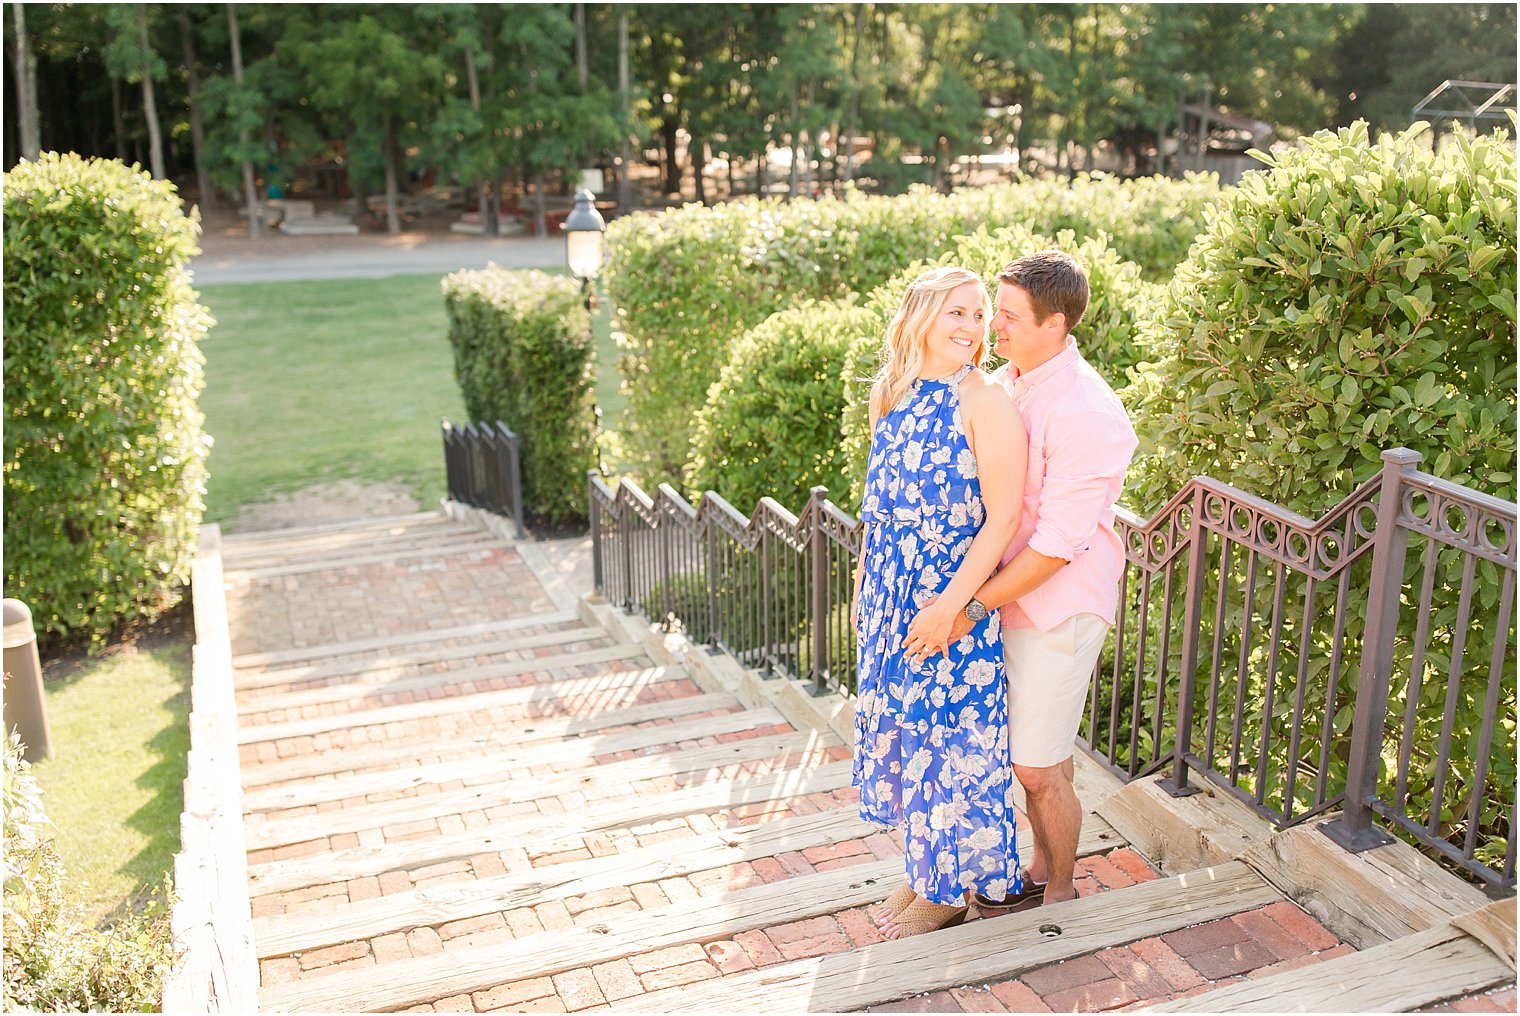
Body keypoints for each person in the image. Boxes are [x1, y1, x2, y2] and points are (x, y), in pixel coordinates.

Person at [905, 249, 1138, 912]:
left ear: (1055, 324)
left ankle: (1061, 887)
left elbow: (1056, 549)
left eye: (1006, 316)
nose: (992, 328)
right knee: (1022, 758)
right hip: (1000, 599)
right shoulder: (1006, 382)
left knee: (1036, 766)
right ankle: (1034, 867)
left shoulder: (1087, 412)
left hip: (1057, 607)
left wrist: (967, 607)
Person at [850, 266, 1028, 939]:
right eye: (957, 312)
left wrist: (953, 606)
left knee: (952, 738)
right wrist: (867, 593)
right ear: (920, 315)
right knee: (911, 734)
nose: (971, 327)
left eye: (979, 315)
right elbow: (877, 509)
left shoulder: (984, 401)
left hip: (949, 600)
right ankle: (925, 868)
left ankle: (951, 892)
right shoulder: (890, 393)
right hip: (890, 599)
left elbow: (1003, 518)